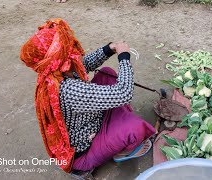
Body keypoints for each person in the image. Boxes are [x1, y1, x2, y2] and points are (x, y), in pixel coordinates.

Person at [20, 18, 155, 177]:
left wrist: (108, 49)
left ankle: (116, 124)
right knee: (136, 128)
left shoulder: (56, 71)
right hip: (83, 152)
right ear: (60, 56)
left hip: (88, 121)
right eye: (69, 46)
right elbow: (124, 93)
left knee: (107, 73)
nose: (75, 47)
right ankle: (114, 153)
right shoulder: (68, 89)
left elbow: (84, 65)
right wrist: (124, 57)